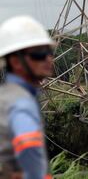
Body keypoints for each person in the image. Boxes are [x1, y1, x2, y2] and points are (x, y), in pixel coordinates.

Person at [0, 16, 54, 179]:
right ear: (16, 62)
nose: (48, 59)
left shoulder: (6, 95)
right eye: (39, 54)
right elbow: (27, 144)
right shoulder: (21, 102)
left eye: (49, 52)